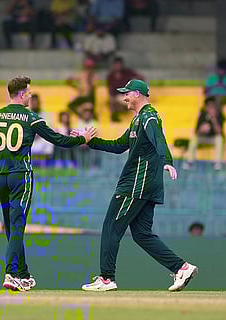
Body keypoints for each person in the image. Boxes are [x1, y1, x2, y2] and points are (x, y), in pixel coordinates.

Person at [0, 76, 97, 291]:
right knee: (17, 225)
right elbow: (58, 140)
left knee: (11, 226)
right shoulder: (31, 117)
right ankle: (10, 273)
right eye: (29, 92)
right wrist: (82, 139)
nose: (31, 95)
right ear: (22, 94)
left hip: (0, 177)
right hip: (20, 176)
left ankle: (22, 273)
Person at [75, 79, 198, 292]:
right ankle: (181, 267)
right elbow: (118, 145)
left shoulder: (149, 116)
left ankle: (106, 278)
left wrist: (167, 161)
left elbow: (159, 139)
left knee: (111, 226)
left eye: (127, 93)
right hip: (146, 184)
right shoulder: (137, 120)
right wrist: (90, 141)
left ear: (138, 94)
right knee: (142, 234)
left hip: (137, 183)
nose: (124, 97)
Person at [182, 97, 224, 170]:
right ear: (206, 107)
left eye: (212, 106)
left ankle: (217, 163)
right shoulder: (202, 114)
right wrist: (201, 130)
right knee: (194, 139)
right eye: (208, 106)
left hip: (213, 138)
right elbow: (196, 132)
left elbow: (220, 132)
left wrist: (213, 119)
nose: (210, 108)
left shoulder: (219, 115)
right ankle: (190, 162)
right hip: (203, 137)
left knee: (219, 139)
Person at [106, 56, 144, 122]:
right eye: (116, 65)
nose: (118, 66)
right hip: (117, 97)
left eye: (119, 64)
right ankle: (114, 118)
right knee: (113, 101)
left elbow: (140, 78)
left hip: (128, 95)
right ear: (113, 65)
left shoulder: (127, 72)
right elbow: (110, 90)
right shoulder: (110, 76)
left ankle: (138, 119)